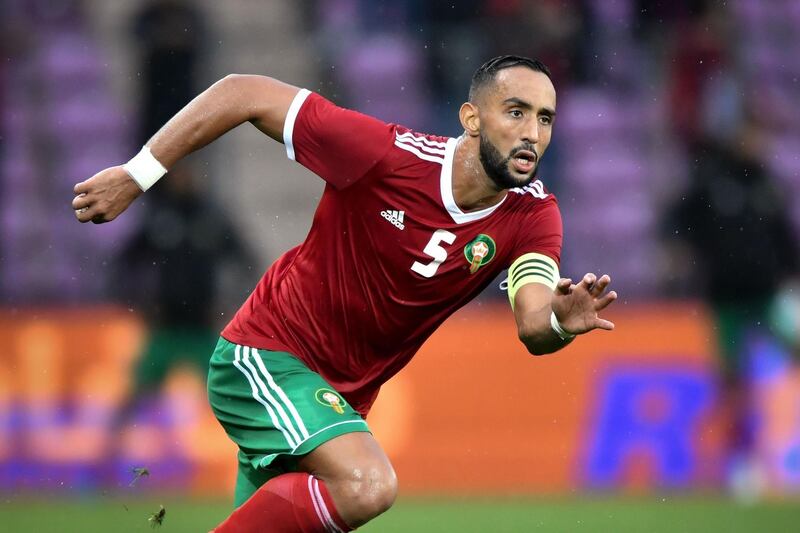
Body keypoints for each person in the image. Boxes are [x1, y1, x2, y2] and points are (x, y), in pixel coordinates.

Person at [73, 55, 617, 532]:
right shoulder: (386, 157)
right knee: (367, 485)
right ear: (471, 119)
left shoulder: (533, 214)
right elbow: (243, 92)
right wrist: (137, 174)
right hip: (268, 356)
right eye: (515, 111)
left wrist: (562, 322)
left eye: (545, 118)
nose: (532, 133)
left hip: (337, 403)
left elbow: (532, 324)